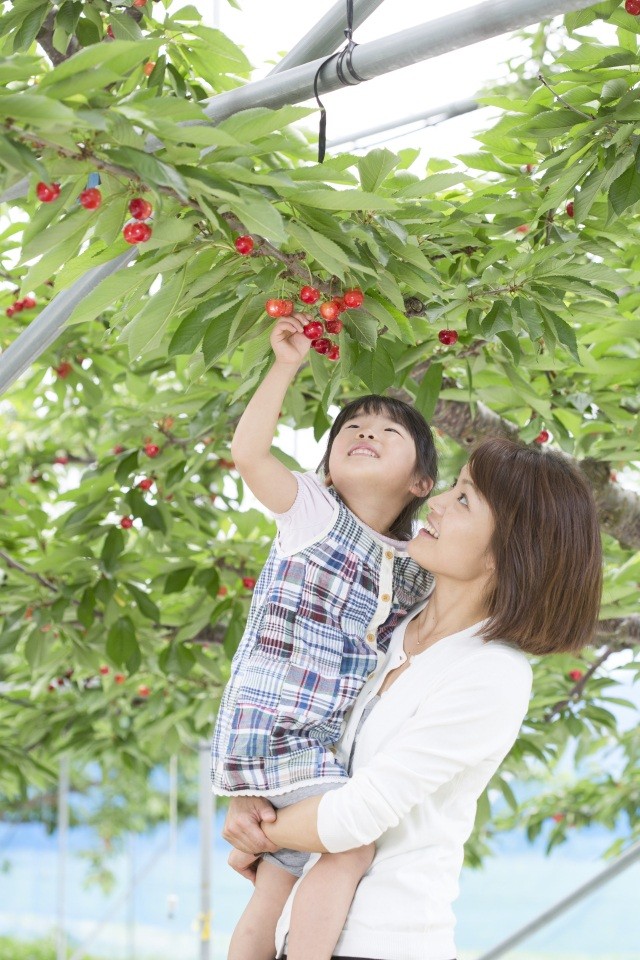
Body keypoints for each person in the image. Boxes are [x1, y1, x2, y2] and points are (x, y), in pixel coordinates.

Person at [223, 437, 603, 960]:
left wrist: (262, 834)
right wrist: (253, 799)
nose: (437, 503)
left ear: (507, 551)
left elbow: (356, 815)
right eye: (452, 486)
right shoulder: (385, 624)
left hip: (388, 942)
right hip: (301, 931)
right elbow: (303, 724)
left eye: (465, 498)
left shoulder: (492, 674)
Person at [210, 313, 438, 960]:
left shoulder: (416, 564)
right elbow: (251, 454)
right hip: (277, 726)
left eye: (388, 431)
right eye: (352, 430)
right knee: (352, 843)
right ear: (329, 469)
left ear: (421, 483)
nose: (365, 431)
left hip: (318, 739)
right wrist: (285, 366)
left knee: (273, 886)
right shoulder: (313, 512)